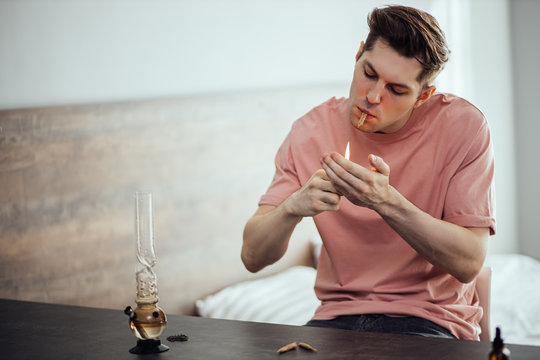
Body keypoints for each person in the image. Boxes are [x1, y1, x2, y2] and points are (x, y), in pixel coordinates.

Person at [241, 5, 495, 341]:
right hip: (336, 319)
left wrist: (386, 202)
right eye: (369, 73)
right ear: (359, 54)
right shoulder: (309, 131)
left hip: (430, 321)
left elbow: (469, 263)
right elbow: (252, 257)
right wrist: (294, 206)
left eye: (397, 90)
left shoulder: (463, 128)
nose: (372, 97)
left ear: (423, 96)